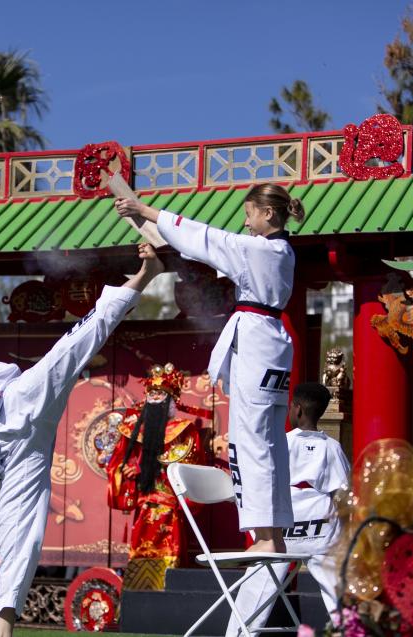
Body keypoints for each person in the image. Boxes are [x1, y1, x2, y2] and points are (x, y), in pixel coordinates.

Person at [0, 244, 164, 637]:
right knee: (17, 531)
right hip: (14, 463)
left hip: (15, 408)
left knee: (69, 350)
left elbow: (2, 371)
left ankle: (144, 275)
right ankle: (4, 623)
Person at [115, 184, 304, 553]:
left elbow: (203, 237)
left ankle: (266, 538)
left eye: (249, 214)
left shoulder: (259, 250)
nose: (246, 223)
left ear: (268, 213)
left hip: (259, 342)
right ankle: (273, 535)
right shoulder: (281, 251)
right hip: (268, 342)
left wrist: (145, 211)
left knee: (252, 440)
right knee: (266, 439)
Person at [224, 383, 350, 636]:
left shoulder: (279, 443)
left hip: (283, 525)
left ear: (298, 410)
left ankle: (239, 634)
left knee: (257, 588)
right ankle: (354, 631)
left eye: (292, 406)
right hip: (322, 530)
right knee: (341, 593)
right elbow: (343, 495)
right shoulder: (332, 447)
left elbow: (261, 482)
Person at [105, 362, 213, 589]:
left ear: (171, 399)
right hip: (144, 506)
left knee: (168, 552)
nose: (154, 397)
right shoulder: (135, 430)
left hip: (167, 506)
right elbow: (118, 462)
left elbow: (187, 469)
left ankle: (166, 597)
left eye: (160, 393)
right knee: (139, 551)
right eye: (151, 392)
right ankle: (138, 598)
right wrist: (127, 472)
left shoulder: (183, 430)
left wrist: (150, 471)